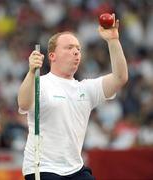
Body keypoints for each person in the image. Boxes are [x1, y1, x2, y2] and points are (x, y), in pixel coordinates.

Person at [18, 14, 128, 180]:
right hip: (42, 168)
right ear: (52, 56)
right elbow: (24, 104)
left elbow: (120, 78)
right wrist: (32, 71)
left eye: (78, 48)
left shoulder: (85, 88)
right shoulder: (41, 83)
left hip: (75, 169)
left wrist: (113, 40)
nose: (76, 51)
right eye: (69, 48)